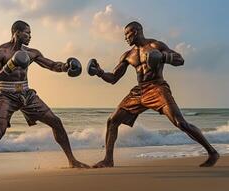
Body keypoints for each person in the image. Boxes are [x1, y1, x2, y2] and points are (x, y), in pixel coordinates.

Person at [0, 20, 88, 183]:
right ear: (16, 33)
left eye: (30, 33)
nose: (30, 36)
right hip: (5, 94)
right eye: (27, 33)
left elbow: (51, 65)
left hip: (26, 94)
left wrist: (66, 67)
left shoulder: (32, 53)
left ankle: (72, 161)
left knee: (56, 122)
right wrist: (9, 66)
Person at [87, 21, 219, 168]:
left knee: (180, 123)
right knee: (112, 121)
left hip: (157, 87)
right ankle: (108, 160)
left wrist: (163, 57)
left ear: (136, 31)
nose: (125, 38)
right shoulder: (127, 55)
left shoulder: (155, 45)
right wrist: (99, 72)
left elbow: (180, 60)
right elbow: (113, 78)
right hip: (139, 91)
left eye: (127, 34)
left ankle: (212, 152)